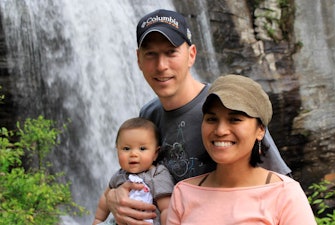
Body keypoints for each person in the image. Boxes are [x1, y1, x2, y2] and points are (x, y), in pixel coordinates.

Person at [106, 9, 292, 224]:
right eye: (151, 54)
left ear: (191, 55)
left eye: (171, 52)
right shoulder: (148, 115)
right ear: (138, 59)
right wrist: (113, 195)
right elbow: (138, 171)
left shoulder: (226, 104)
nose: (161, 66)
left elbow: (280, 185)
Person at [167, 74, 317, 224]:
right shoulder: (184, 193)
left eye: (235, 120)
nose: (220, 131)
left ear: (260, 130)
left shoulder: (284, 193)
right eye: (212, 119)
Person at [93, 117, 174, 225]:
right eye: (126, 149)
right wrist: (98, 220)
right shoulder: (119, 175)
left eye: (142, 149)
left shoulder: (157, 175)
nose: (133, 154)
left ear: (155, 154)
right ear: (117, 150)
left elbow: (166, 209)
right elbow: (105, 197)